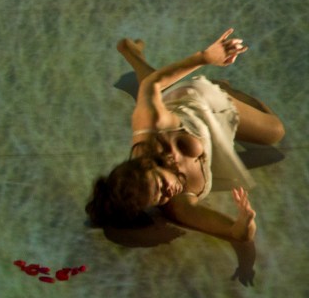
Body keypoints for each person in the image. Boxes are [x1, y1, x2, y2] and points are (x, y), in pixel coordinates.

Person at [86, 29, 285, 284]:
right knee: (157, 96)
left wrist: (205, 56)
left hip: (199, 103)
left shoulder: (150, 131)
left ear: (149, 163)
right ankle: (130, 51)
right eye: (158, 199)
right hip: (199, 128)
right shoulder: (179, 207)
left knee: (275, 133)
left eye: (160, 185)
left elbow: (151, 86)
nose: (167, 193)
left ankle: (223, 88)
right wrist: (246, 230)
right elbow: (235, 233)